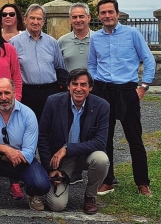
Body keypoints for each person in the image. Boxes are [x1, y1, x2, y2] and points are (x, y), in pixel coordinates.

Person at [88, 0, 156, 197]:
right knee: (104, 138)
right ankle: (107, 181)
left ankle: (142, 183)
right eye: (103, 13)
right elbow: (92, 63)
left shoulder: (132, 34)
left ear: (117, 14)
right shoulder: (96, 38)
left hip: (127, 91)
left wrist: (143, 87)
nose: (107, 16)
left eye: (110, 12)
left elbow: (149, 60)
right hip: (103, 91)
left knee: (134, 138)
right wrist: (93, 85)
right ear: (98, 16)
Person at [0, 78, 51, 215]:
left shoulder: (28, 114)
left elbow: (28, 154)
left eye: (7, 93)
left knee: (42, 185)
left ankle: (31, 194)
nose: (3, 98)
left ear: (14, 92)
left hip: (21, 161)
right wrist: (5, 150)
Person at [38, 69, 110, 214]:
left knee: (101, 159)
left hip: (85, 154)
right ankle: (62, 179)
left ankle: (90, 196)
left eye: (83, 84)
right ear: (68, 86)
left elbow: (100, 142)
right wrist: (51, 169)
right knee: (56, 206)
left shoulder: (102, 106)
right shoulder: (53, 102)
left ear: (90, 87)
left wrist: (67, 148)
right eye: (74, 84)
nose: (78, 88)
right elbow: (42, 136)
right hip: (62, 159)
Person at [10, 4, 68, 122]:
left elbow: (60, 67)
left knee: (51, 128)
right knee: (28, 127)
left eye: (39, 19)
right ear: (25, 19)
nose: (35, 22)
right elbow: (10, 71)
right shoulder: (13, 43)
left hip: (50, 92)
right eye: (32, 18)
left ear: (43, 21)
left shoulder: (52, 43)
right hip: (27, 93)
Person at [58, 3, 93, 72]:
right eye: (74, 17)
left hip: (94, 82)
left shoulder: (98, 39)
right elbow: (58, 66)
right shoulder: (62, 41)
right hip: (70, 82)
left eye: (81, 16)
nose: (78, 20)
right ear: (70, 20)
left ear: (88, 18)